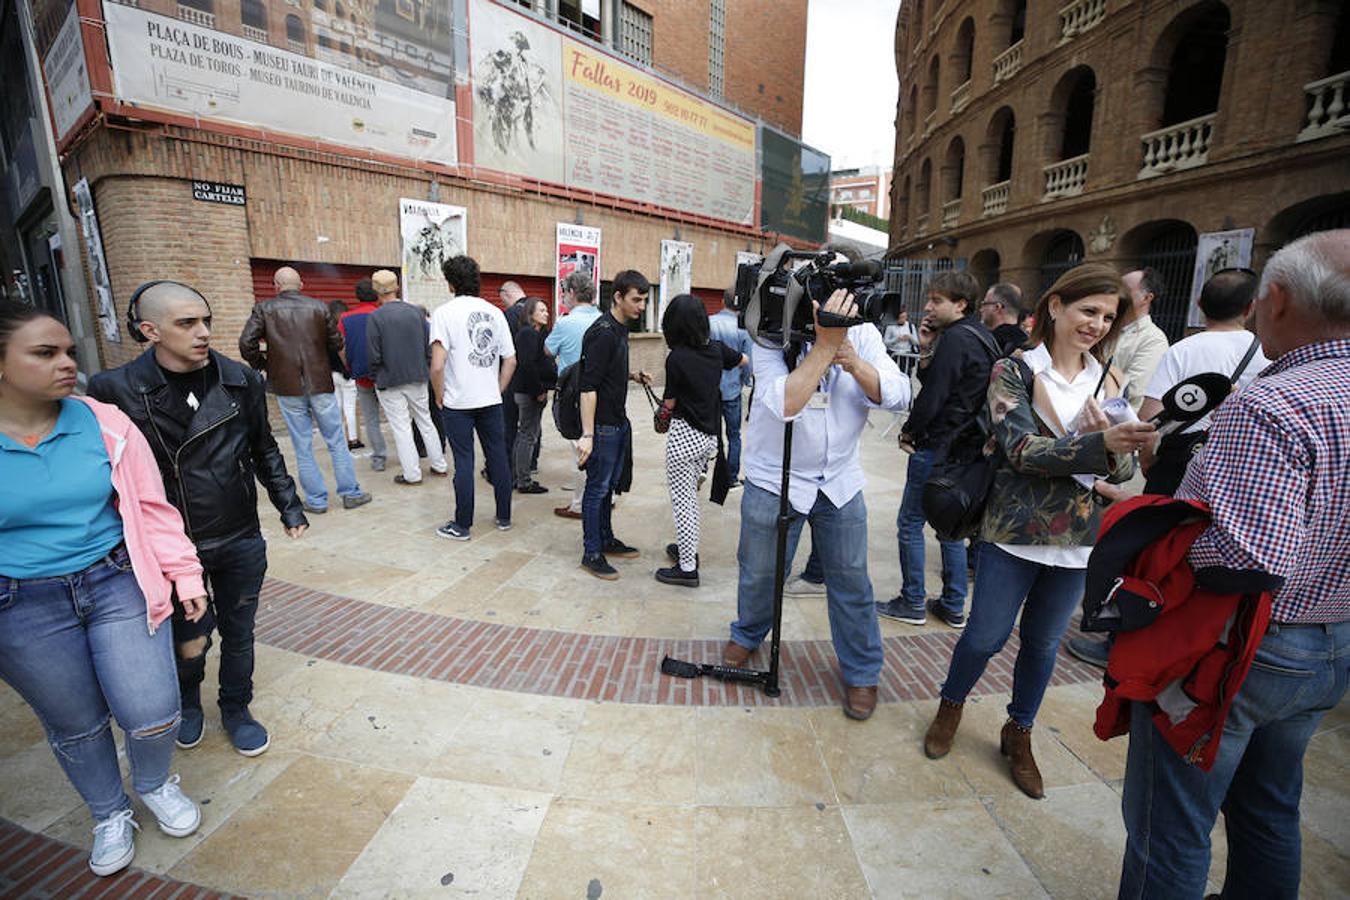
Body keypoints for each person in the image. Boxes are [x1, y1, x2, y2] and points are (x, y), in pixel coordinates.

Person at [1117, 230, 1350, 898]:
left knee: (1172, 828)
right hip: (1329, 647)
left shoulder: (1275, 402)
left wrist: (1159, 541)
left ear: (1273, 301)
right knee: (1270, 809)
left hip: (1250, 649)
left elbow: (1249, 558)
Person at [921, 264, 1153, 798]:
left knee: (1044, 645)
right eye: (1087, 310)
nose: (1096, 324)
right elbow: (1020, 450)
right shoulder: (1015, 371)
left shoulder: (1108, 379)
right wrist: (1100, 446)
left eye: (1107, 316)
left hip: (1076, 540)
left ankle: (1018, 730)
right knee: (984, 637)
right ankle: (951, 706)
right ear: (1055, 307)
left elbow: (1119, 473)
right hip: (1014, 531)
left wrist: (1116, 454)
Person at [0, 302, 207, 876]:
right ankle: (108, 812)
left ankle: (154, 781)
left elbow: (151, 507)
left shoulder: (104, 423)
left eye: (69, 351)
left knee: (153, 709)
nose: (67, 363)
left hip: (116, 579)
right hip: (19, 604)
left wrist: (184, 574)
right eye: (46, 353)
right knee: (76, 723)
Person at [90, 279, 308, 756]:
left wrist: (287, 503)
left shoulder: (241, 378)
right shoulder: (113, 390)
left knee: (239, 631)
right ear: (150, 330)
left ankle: (236, 707)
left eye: (206, 320)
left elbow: (262, 445)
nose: (203, 332)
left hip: (237, 533)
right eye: (186, 323)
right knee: (189, 638)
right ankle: (188, 702)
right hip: (169, 544)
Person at [726, 275, 910, 720]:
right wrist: (824, 347)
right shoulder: (772, 331)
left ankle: (862, 672)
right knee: (760, 573)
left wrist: (851, 360)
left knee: (851, 582)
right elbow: (783, 402)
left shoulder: (862, 332)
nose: (845, 305)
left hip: (840, 480)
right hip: (776, 478)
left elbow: (899, 393)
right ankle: (748, 633)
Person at [1067, 269, 1267, 670]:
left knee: (1151, 552)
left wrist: (1148, 461)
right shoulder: (1266, 354)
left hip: (1176, 463)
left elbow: (1152, 419)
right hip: (1235, 467)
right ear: (1251, 308)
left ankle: (1121, 639)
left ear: (1198, 304)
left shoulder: (1183, 350)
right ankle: (1187, 645)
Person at [878, 270, 995, 630]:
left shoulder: (958, 339)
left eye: (936, 300)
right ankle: (953, 604)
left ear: (960, 304)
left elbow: (933, 396)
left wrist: (910, 431)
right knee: (951, 528)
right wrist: (927, 346)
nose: (928, 306)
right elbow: (944, 382)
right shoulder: (980, 336)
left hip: (940, 445)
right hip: (965, 448)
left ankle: (912, 601)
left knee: (911, 523)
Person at [239, 266, 371, 513]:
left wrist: (266, 365)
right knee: (336, 440)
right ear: (301, 285)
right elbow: (337, 342)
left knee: (302, 444)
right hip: (320, 381)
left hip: (287, 386)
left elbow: (247, 344)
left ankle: (317, 500)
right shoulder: (319, 308)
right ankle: (350, 493)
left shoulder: (264, 309)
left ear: (275, 286)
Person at [656, 294, 748, 587]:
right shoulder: (717, 350)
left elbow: (669, 404)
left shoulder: (677, 358)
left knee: (683, 503)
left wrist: (661, 415)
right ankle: (686, 551)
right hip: (709, 438)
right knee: (691, 501)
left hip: (684, 436)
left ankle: (687, 568)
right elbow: (744, 359)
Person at [430, 255, 516, 540]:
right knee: (498, 458)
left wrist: (439, 395)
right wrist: (498, 388)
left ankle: (462, 525)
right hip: (490, 400)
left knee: (463, 461)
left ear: (452, 283)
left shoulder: (444, 313)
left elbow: (438, 364)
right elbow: (511, 360)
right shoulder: (495, 312)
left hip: (458, 403)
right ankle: (504, 517)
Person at [576, 270, 653, 580]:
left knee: (608, 489)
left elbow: (607, 373)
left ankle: (605, 539)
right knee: (597, 490)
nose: (642, 307)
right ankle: (591, 552)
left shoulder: (620, 329)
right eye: (637, 300)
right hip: (603, 427)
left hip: (617, 421)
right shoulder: (603, 332)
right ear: (618, 297)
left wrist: (632, 376)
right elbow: (588, 386)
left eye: (645, 300)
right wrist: (588, 434)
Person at [367, 269, 448, 486]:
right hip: (418, 377)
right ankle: (439, 464)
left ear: (376, 292)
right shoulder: (415, 313)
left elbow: (373, 354)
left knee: (401, 427)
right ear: (397, 288)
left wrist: (376, 376)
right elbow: (428, 348)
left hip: (389, 379)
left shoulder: (375, 317)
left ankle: (412, 474)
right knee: (426, 420)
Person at [545, 270, 603, 520]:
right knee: (600, 449)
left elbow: (548, 349)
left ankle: (579, 505)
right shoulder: (604, 319)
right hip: (602, 393)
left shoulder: (565, 322)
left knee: (580, 450)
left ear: (571, 293)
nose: (563, 298)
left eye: (564, 293)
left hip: (575, 396)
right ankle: (603, 498)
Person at [338, 279, 389, 472]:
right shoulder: (382, 314)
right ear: (377, 294)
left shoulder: (345, 318)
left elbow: (341, 348)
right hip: (386, 375)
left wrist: (349, 366)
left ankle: (379, 457)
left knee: (371, 418)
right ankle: (409, 455)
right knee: (397, 418)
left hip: (361, 375)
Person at [707, 287, 754, 483]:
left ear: (722, 302)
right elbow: (747, 362)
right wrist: (742, 381)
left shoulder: (708, 323)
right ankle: (732, 477)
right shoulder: (743, 328)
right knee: (734, 435)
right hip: (732, 390)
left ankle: (702, 469)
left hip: (710, 389)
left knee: (709, 433)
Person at [511, 296, 556, 494]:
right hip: (529, 393)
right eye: (541, 310)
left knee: (527, 434)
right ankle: (523, 481)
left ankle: (519, 475)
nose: (546, 313)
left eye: (546, 310)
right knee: (528, 435)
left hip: (530, 392)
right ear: (530, 314)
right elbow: (527, 365)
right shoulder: (528, 334)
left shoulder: (536, 334)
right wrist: (538, 391)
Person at [1115, 268, 1170, 412]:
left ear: (1146, 298)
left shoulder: (1153, 340)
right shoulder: (1105, 328)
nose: (1116, 294)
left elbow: (1132, 393)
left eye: (1125, 289)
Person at [497, 281, 531, 482]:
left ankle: (509, 465)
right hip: (532, 382)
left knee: (508, 423)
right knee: (530, 425)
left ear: (507, 294)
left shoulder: (508, 315)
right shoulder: (538, 307)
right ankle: (529, 464)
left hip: (511, 378)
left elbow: (503, 352)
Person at [327, 298, 361, 449]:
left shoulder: (325, 331)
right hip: (346, 374)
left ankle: (338, 439)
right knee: (350, 408)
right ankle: (353, 439)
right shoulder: (345, 329)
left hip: (332, 374)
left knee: (337, 408)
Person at [981, 282, 1028, 356]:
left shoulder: (985, 343)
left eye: (984, 304)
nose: (981, 309)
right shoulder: (1029, 343)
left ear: (997, 307)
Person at [883, 307, 920, 374]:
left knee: (906, 375)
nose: (903, 319)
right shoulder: (890, 326)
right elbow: (885, 342)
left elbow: (916, 343)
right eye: (901, 317)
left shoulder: (910, 326)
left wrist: (910, 337)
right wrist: (897, 339)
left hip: (906, 356)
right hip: (893, 355)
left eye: (905, 317)